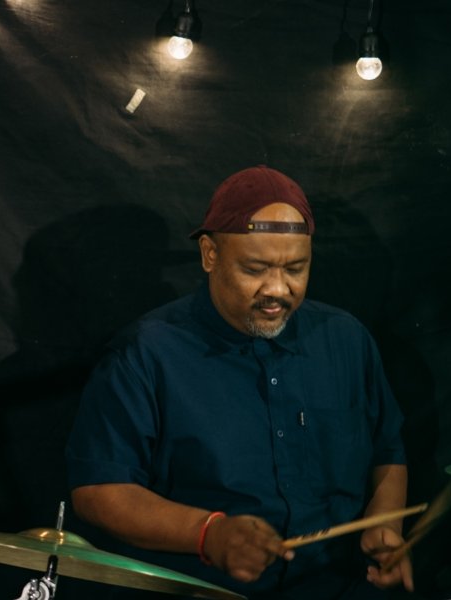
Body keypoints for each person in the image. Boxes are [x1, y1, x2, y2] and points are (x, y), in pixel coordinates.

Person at [66, 166, 411, 598]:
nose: (278, 289)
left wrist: (384, 525)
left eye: (296, 269)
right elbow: (98, 490)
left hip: (338, 587)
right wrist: (208, 533)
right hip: (205, 589)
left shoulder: (347, 339)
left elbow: (388, 449)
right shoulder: (145, 352)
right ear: (209, 254)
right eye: (255, 268)